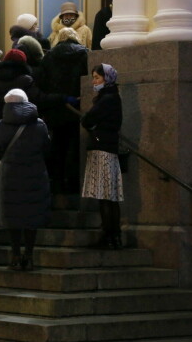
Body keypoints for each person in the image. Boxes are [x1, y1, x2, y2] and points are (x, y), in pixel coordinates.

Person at [0, 89, 51, 271]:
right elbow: (47, 148)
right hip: (35, 174)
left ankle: (15, 255)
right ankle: (29, 256)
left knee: (13, 216)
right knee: (32, 216)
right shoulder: (39, 125)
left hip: (9, 176)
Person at [36, 28, 88, 193]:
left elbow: (42, 84)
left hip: (56, 108)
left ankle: (58, 185)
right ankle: (74, 185)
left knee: (58, 146)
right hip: (77, 108)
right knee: (75, 147)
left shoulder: (49, 57)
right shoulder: (84, 54)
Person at [81, 64, 124, 249]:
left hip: (102, 148)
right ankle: (114, 235)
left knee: (105, 196)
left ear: (107, 79)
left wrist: (89, 122)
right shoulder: (113, 97)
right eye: (93, 78)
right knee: (110, 196)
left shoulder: (107, 99)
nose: (94, 81)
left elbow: (88, 119)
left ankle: (108, 236)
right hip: (109, 147)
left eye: (97, 78)